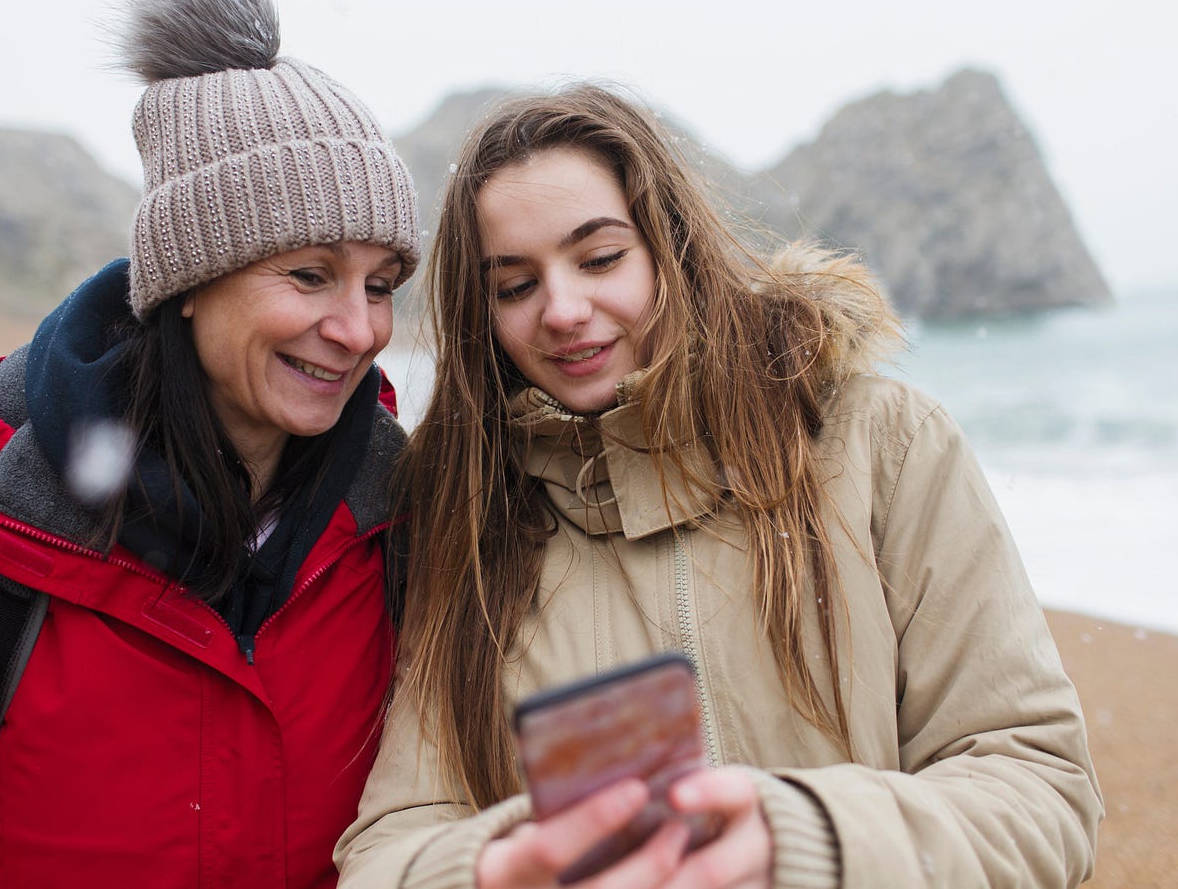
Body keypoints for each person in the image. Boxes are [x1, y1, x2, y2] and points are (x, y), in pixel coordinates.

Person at [334, 84, 1102, 888]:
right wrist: (499, 865)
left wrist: (809, 839)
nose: (562, 309)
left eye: (600, 258)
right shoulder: (466, 522)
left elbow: (1039, 786)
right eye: (515, 285)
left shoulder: (884, 443)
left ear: (672, 246)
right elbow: (390, 847)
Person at [0, 0, 418, 888]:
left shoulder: (403, 533)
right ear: (189, 281)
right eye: (310, 274)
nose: (359, 329)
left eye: (382, 285)